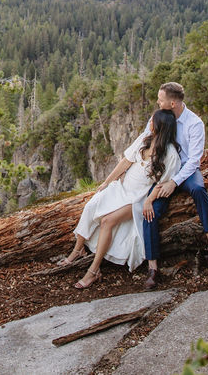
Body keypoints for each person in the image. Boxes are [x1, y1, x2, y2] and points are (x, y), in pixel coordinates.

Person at [59, 109, 182, 289]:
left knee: (107, 221)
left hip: (137, 198)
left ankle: (93, 271)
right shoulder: (144, 140)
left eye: (152, 121)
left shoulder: (170, 154)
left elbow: (163, 184)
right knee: (92, 206)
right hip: (121, 188)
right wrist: (107, 183)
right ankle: (77, 250)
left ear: (160, 126)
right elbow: (125, 162)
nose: (149, 123)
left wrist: (149, 201)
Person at [142, 82, 208, 290]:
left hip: (186, 173)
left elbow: (194, 161)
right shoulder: (159, 117)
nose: (157, 102)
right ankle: (153, 267)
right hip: (164, 173)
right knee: (150, 210)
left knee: (199, 190)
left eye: (160, 99)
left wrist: (175, 182)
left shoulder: (194, 123)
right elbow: (146, 140)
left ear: (172, 103)